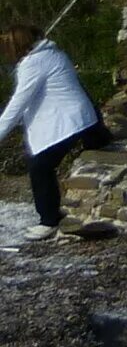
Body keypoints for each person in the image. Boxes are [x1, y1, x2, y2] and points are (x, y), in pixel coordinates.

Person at [1, 26, 105, 243]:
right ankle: (51, 216)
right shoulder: (52, 54)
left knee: (40, 166)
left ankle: (49, 221)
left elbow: (17, 105)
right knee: (40, 164)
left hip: (72, 121)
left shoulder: (36, 63)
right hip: (82, 118)